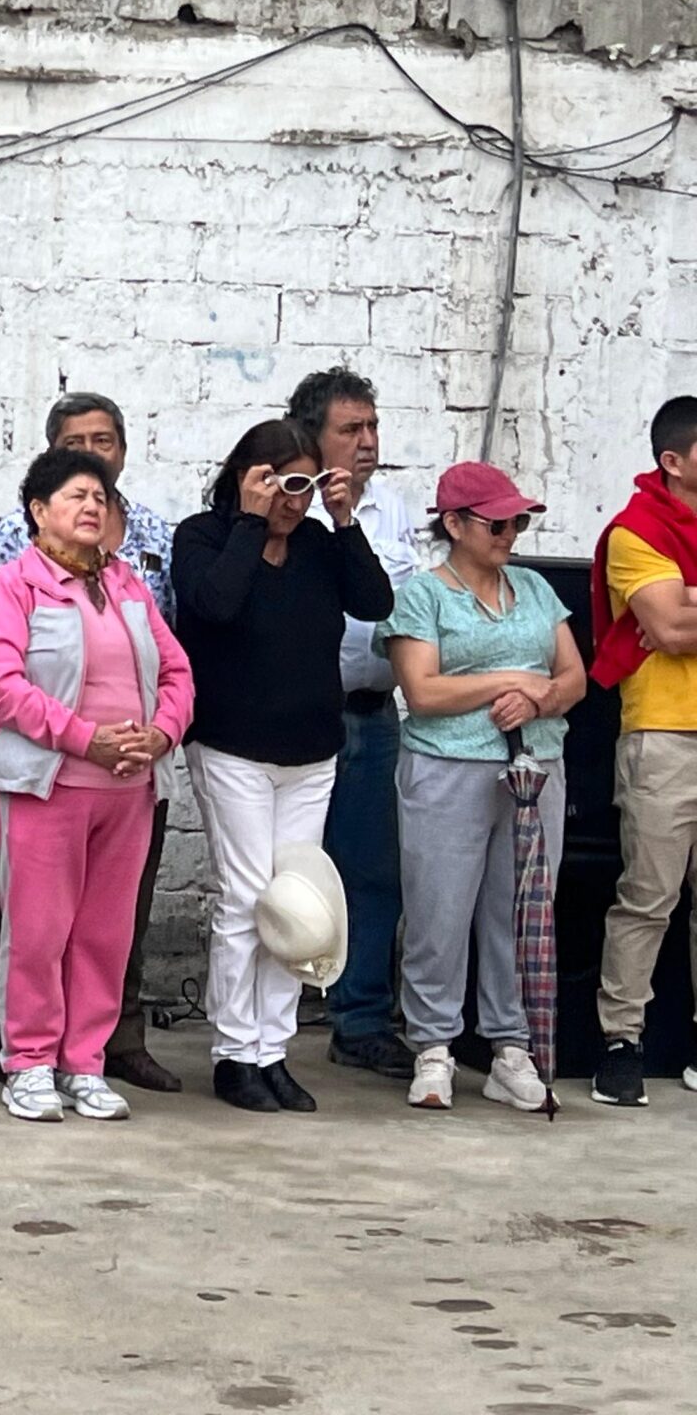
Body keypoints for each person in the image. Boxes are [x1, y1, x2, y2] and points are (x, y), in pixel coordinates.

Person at [173, 419, 394, 1114]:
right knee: (245, 899)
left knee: (299, 903)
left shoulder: (321, 547)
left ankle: (273, 1048)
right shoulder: (204, 538)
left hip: (311, 750)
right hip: (233, 745)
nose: (294, 500)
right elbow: (214, 605)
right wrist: (249, 519)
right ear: (249, 475)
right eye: (283, 482)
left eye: (305, 484)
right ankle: (235, 1053)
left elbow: (376, 601)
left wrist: (345, 517)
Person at [0, 448, 192, 1124]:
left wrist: (159, 735)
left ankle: (84, 1063)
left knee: (105, 934)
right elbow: (0, 688)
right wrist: (84, 738)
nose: (92, 506)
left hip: (127, 789)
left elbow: (178, 673)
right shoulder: (11, 588)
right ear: (38, 513)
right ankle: (30, 1062)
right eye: (75, 496)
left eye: (100, 496)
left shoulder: (127, 586)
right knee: (37, 931)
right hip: (47, 785)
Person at [378, 462, 584, 1112]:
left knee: (520, 910)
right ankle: (433, 1045)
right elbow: (423, 691)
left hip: (534, 766)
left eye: (518, 521)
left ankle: (510, 1044)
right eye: (498, 522)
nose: (510, 533)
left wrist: (541, 698)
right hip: (447, 765)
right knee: (440, 907)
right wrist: (510, 682)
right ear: (456, 524)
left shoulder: (535, 588)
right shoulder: (424, 595)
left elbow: (575, 676)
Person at [289, 367, 423, 1079]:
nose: (368, 442)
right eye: (351, 429)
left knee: (374, 875)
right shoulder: (287, 508)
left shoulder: (393, 509)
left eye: (372, 427)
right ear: (313, 436)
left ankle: (362, 1020)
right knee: (283, 875)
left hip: (373, 717)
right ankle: (260, 1028)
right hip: (301, 718)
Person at [586, 394, 697, 1108]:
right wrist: (676, 611)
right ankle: (619, 1043)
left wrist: (688, 600)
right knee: (649, 897)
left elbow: (683, 622)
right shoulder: (635, 533)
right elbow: (672, 632)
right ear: (673, 462)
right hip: (663, 732)